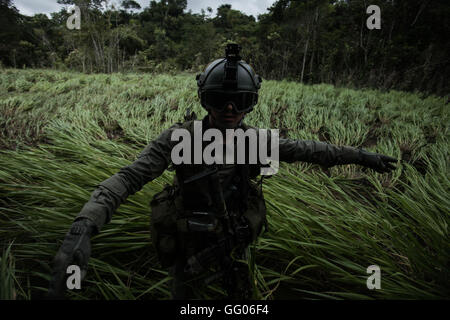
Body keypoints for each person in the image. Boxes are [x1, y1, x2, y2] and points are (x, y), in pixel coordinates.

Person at [48, 44, 397, 300]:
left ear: (251, 103)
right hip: (190, 242)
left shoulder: (255, 140)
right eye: (219, 100)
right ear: (204, 100)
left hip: (237, 237)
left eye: (240, 102)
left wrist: (361, 156)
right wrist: (84, 226)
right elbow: (125, 180)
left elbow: (310, 150)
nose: (230, 111)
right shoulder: (179, 138)